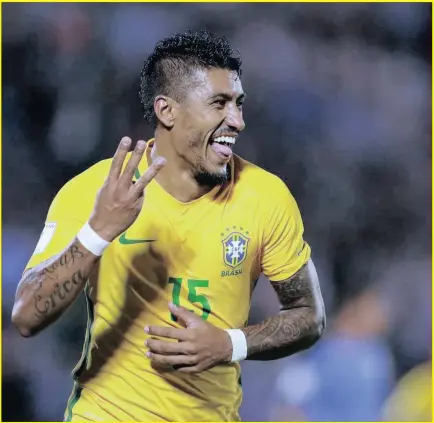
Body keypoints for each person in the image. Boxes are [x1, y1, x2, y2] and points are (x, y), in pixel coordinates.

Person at [12, 30, 326, 422]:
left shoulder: (265, 196)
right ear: (167, 111)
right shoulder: (96, 191)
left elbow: (310, 316)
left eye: (239, 104)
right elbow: (26, 316)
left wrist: (230, 344)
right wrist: (98, 231)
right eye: (219, 103)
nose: (238, 121)